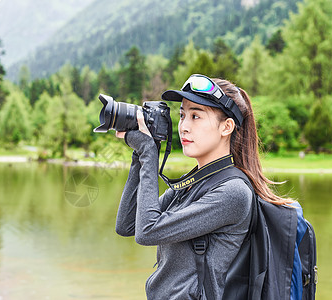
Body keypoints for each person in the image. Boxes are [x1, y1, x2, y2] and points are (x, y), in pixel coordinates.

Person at [114, 74, 295, 299]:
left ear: (226, 127)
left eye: (196, 116)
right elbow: (127, 225)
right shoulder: (193, 184)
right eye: (182, 115)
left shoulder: (233, 192)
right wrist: (139, 156)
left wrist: (149, 153)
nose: (184, 127)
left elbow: (148, 231)